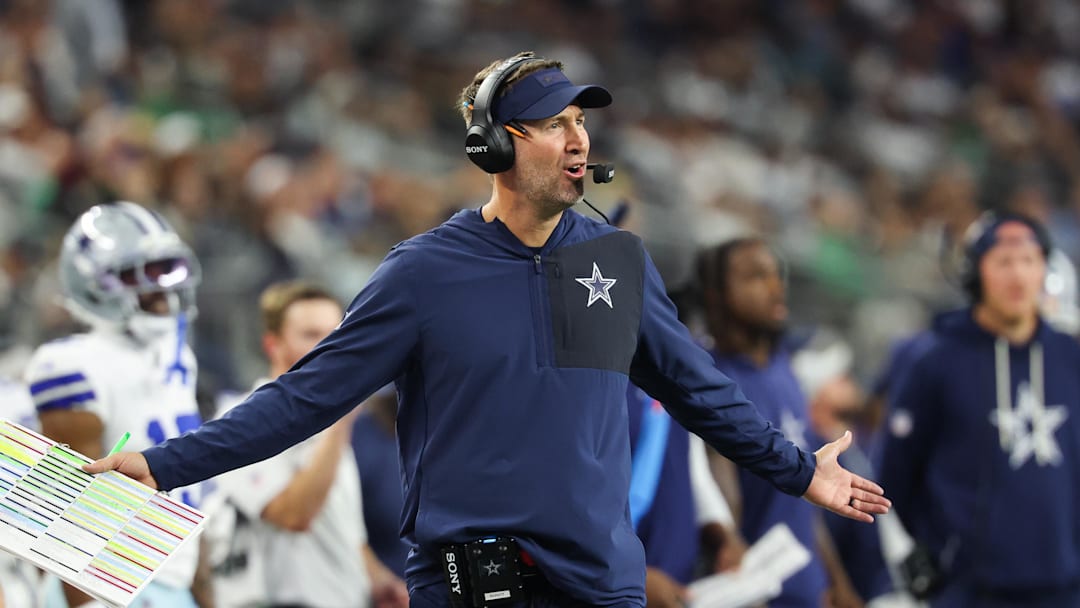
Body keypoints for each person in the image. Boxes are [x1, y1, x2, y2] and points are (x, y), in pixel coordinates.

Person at [87, 51, 889, 608]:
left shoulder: (615, 259)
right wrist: (162, 466)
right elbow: (305, 397)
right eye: (552, 123)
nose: (578, 138)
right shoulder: (422, 274)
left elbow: (698, 390)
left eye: (582, 121)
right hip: (474, 582)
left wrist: (795, 471)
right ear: (496, 144)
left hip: (604, 584)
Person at [879, 211, 1080, 607]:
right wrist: (941, 551)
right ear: (974, 273)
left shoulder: (1070, 355)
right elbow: (895, 473)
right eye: (1003, 262)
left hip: (1065, 585)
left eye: (1029, 261)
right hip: (969, 590)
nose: (1018, 277)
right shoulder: (934, 361)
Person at [25, 201, 207, 608]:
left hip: (174, 576)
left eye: (163, 269)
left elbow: (191, 478)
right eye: (134, 273)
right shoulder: (70, 364)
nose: (158, 287)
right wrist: (87, 601)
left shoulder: (177, 355)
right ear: (92, 282)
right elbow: (66, 502)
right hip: (108, 585)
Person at [205, 281, 408, 608]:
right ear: (272, 345)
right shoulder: (240, 418)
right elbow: (292, 515)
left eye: (336, 333)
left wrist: (377, 578)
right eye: (311, 335)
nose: (330, 347)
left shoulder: (330, 422)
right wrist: (341, 421)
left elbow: (345, 529)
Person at [697, 237, 864, 608]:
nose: (776, 287)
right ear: (716, 294)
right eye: (756, 277)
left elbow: (808, 486)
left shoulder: (783, 369)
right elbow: (721, 501)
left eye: (777, 275)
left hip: (809, 590)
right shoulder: (706, 376)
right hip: (756, 595)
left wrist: (836, 581)